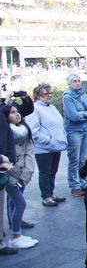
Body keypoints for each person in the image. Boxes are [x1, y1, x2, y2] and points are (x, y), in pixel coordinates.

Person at [2, 104, 37, 249]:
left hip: (23, 173)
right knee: (20, 203)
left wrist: (27, 173)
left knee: (13, 203)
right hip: (10, 173)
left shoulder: (24, 130)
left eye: (18, 112)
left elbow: (30, 151)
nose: (17, 115)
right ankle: (15, 235)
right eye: (12, 112)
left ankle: (16, 233)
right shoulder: (4, 133)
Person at [27, 84, 68, 207]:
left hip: (56, 146)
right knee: (45, 172)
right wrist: (48, 140)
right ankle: (46, 197)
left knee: (53, 171)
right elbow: (33, 131)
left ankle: (51, 193)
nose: (49, 95)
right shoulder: (34, 109)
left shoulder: (52, 107)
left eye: (50, 92)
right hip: (43, 148)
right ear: (38, 96)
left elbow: (59, 125)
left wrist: (61, 137)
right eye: (45, 93)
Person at [63, 74, 87, 197]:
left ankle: (83, 183)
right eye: (74, 81)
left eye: (79, 81)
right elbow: (73, 116)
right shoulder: (67, 97)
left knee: (84, 159)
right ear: (69, 84)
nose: (77, 83)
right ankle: (74, 186)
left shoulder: (84, 95)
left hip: (85, 130)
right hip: (74, 131)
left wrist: (82, 113)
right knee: (74, 159)